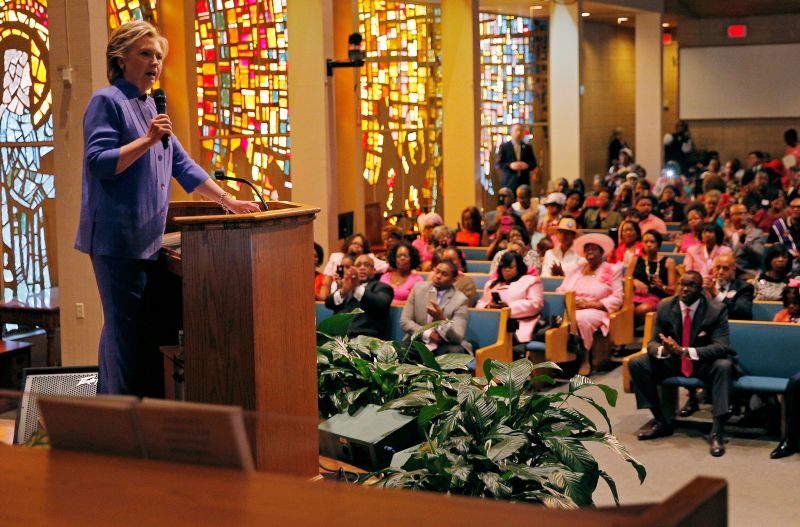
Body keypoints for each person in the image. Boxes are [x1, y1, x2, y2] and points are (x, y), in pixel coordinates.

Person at [75, 22, 260, 396]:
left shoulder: (149, 105)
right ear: (119, 58)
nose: (154, 62)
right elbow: (99, 162)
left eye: (158, 56)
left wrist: (228, 201)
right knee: (125, 338)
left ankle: (112, 416)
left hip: (148, 241)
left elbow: (182, 164)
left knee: (125, 334)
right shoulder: (107, 101)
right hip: (117, 241)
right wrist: (146, 140)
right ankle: (123, 427)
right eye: (145, 53)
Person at [628, 271, 735, 457]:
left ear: (700, 289)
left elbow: (721, 347)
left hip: (702, 363)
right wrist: (664, 351)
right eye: (682, 284)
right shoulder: (665, 306)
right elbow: (652, 343)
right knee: (637, 363)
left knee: (724, 366)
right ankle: (661, 421)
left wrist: (685, 352)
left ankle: (717, 431)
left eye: (691, 285)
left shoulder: (715, 309)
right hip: (673, 362)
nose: (684, 289)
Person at [556, 233, 623, 373]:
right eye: (587, 249)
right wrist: (573, 302)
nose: (590, 252)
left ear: (601, 252)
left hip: (597, 309)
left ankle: (584, 360)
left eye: (594, 249)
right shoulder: (576, 269)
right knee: (558, 319)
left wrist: (589, 304)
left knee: (580, 318)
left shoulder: (612, 270)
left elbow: (617, 297)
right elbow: (561, 290)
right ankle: (560, 359)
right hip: (572, 307)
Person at [476, 251, 544, 358]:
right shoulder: (491, 284)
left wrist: (508, 307)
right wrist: (489, 307)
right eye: (504, 267)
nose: (506, 270)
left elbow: (535, 304)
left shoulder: (530, 281)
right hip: (492, 324)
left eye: (510, 267)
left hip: (518, 325)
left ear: (519, 267)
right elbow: (480, 304)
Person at [400, 260, 472, 355]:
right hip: (419, 340)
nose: (438, 276)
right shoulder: (418, 289)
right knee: (397, 350)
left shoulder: (460, 300)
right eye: (437, 272)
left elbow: (457, 337)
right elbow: (405, 321)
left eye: (444, 274)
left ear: (454, 279)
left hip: (444, 344)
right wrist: (427, 333)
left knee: (455, 353)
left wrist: (442, 319)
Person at [324, 254, 394, 339]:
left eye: (367, 265)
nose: (362, 268)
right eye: (358, 265)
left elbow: (381, 303)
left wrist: (356, 287)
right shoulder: (346, 287)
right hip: (338, 340)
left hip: (366, 342)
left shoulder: (382, 287)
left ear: (374, 270)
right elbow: (328, 303)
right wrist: (343, 291)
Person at [627, 230, 677, 320]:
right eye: (646, 242)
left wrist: (662, 286)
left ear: (658, 244)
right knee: (620, 306)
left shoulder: (668, 262)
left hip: (657, 298)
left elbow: (673, 290)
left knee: (643, 309)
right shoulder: (635, 260)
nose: (648, 245)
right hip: (635, 296)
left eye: (652, 242)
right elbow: (626, 280)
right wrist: (634, 281)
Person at [320, 233, 389, 298]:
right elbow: (326, 283)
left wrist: (370, 272)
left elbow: (387, 266)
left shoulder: (369, 259)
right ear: (348, 245)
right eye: (354, 243)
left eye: (360, 245)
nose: (356, 246)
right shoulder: (336, 257)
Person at [703, 254, 754, 321]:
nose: (720, 272)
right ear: (713, 269)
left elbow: (742, 312)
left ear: (733, 269)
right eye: (718, 267)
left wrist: (717, 294)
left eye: (725, 268)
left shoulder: (744, 288)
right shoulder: (704, 286)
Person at [726, 203, 765, 279]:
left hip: (747, 272)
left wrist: (743, 244)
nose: (744, 216)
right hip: (727, 272)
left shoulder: (756, 233)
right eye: (740, 213)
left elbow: (759, 257)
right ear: (731, 216)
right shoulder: (725, 232)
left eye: (745, 213)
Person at [494, 124, 537, 192]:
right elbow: (498, 164)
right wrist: (510, 165)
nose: (519, 133)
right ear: (511, 132)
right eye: (517, 130)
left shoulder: (527, 147)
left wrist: (527, 166)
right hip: (509, 183)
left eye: (521, 131)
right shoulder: (504, 147)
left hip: (524, 183)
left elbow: (534, 163)